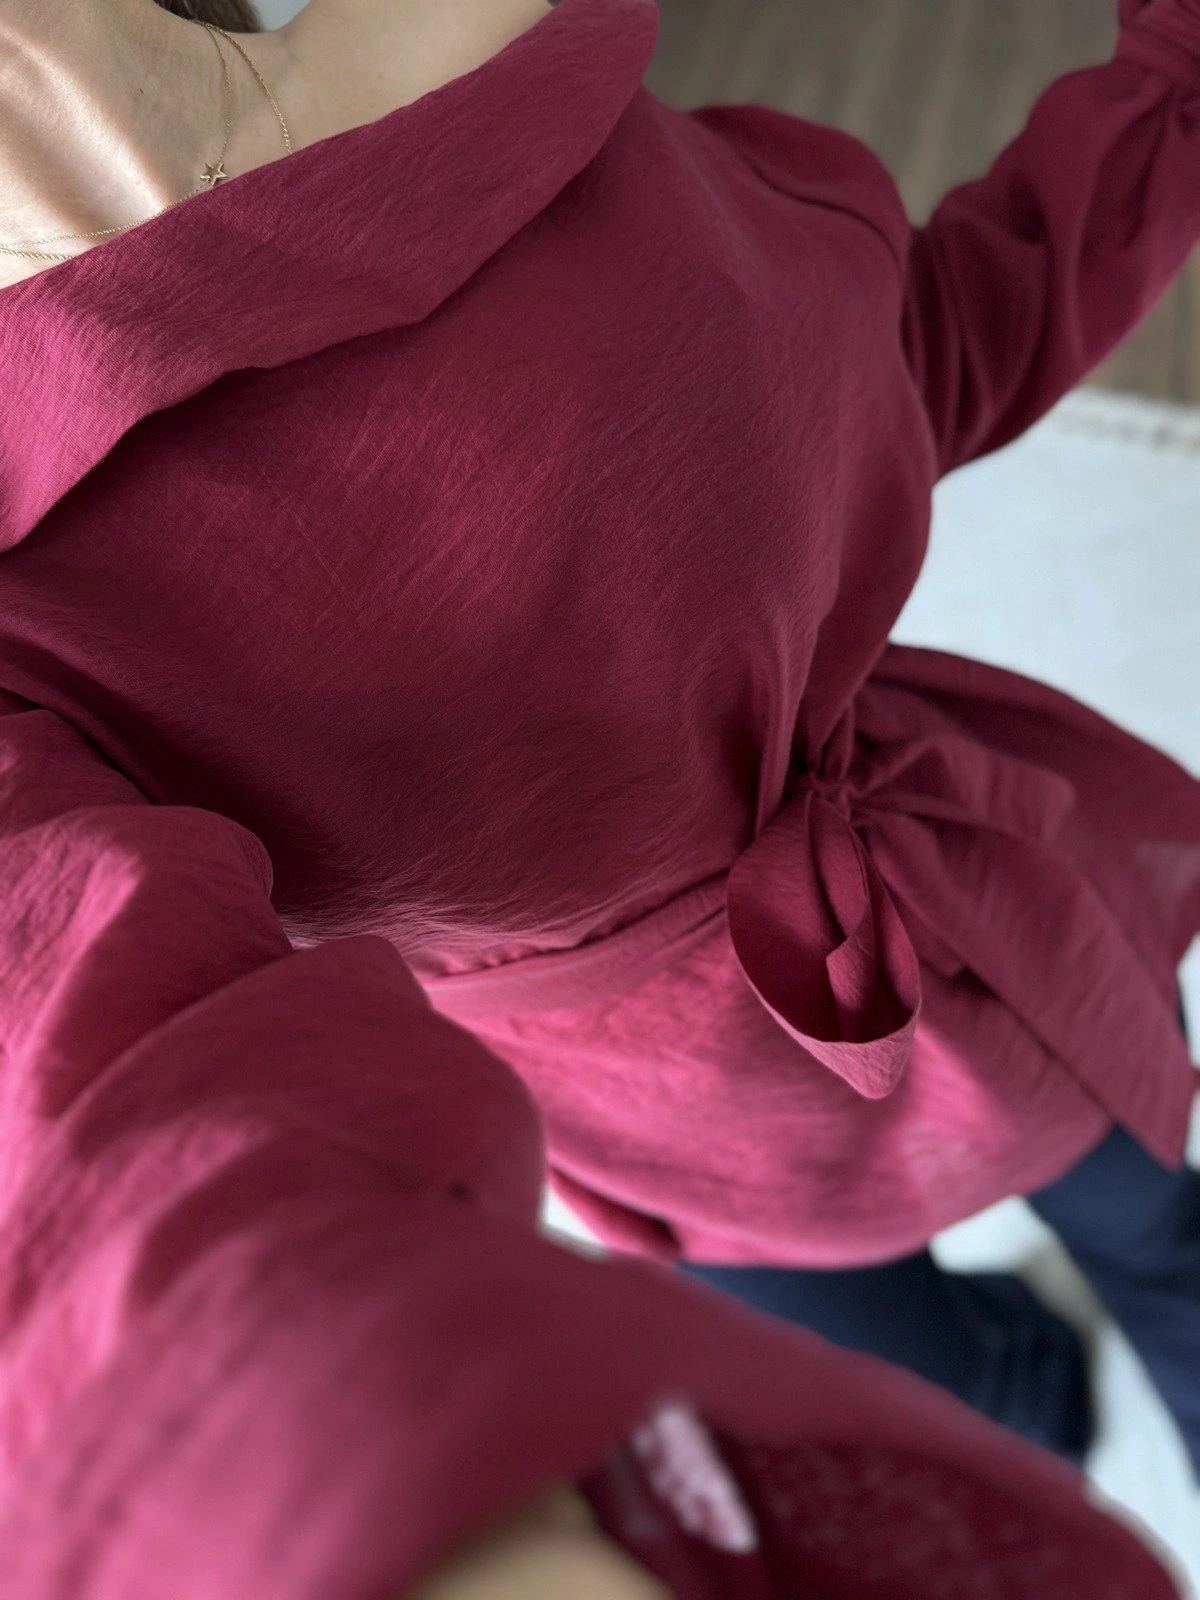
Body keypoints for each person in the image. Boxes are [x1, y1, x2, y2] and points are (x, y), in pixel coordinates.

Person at [0, 0, 1197, 1594]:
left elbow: (89, 1089)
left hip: (701, 1108)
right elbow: (958, 331)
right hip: (979, 937)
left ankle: (1026, 1398)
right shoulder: (577, 152)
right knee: (1144, 1249)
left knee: (960, 1359)